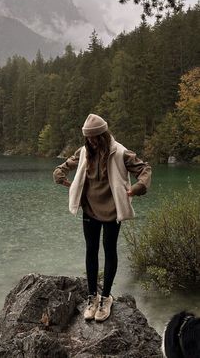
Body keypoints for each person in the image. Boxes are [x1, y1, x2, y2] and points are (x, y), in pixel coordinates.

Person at [53, 114, 151, 322]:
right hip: (89, 209)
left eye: (96, 137)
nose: (93, 141)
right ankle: (92, 297)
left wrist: (137, 188)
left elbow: (144, 169)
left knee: (109, 250)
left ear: (104, 135)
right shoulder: (84, 152)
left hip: (112, 210)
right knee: (91, 251)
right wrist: (61, 176)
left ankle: (106, 297)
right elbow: (65, 165)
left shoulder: (121, 152)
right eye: (89, 138)